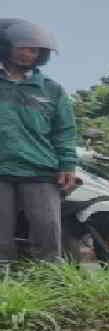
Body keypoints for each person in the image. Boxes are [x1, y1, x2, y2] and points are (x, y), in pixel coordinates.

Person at [0, 18, 75, 265]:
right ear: (6, 46)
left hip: (39, 167)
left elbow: (64, 131)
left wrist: (67, 165)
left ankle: (50, 278)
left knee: (47, 228)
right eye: (21, 47)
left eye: (34, 50)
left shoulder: (51, 89)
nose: (27, 54)